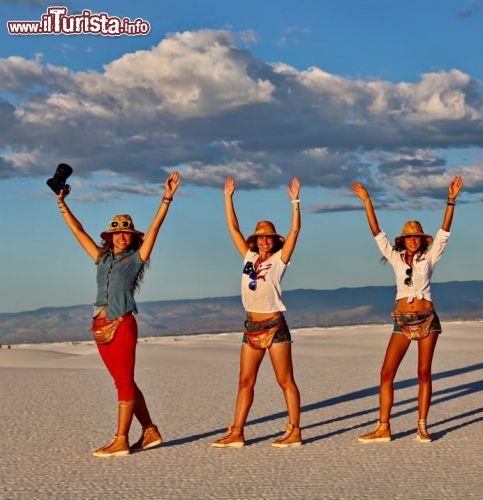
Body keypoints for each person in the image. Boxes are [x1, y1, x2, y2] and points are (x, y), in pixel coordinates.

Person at [55, 171, 181, 456]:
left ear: (132, 237)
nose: (122, 237)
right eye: (117, 233)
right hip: (99, 325)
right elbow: (78, 232)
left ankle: (121, 439)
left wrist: (167, 199)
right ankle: (149, 431)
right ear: (110, 237)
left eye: (126, 233)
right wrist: (62, 204)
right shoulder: (101, 258)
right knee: (123, 381)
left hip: (122, 322)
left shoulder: (137, 259)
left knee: (124, 382)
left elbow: (156, 228)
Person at [352, 176, 463, 443]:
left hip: (427, 319)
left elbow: (444, 233)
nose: (413, 241)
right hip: (401, 320)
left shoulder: (430, 256)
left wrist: (451, 201)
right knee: (386, 373)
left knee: (423, 372)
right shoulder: (394, 257)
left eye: (416, 237)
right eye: (409, 237)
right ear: (403, 240)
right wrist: (367, 201)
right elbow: (376, 233)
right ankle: (383, 426)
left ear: (420, 240)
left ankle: (422, 425)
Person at [212, 176, 302, 448]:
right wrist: (228, 199)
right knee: (244, 381)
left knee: (284, 379)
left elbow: (295, 233)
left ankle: (294, 429)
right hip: (251, 327)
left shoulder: (279, 259)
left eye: (268, 238)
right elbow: (233, 229)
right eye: (261, 238)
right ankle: (237, 431)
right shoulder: (249, 258)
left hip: (274, 325)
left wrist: (295, 202)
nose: (264, 241)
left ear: (275, 241)